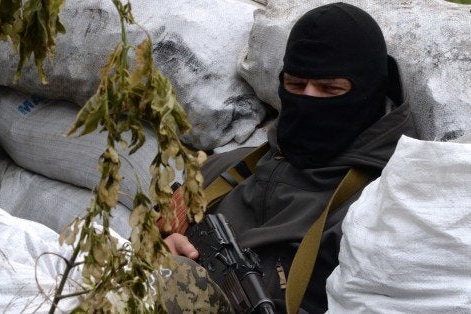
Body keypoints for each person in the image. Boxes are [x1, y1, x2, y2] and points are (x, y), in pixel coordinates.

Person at [163, 3, 416, 313]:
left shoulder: (379, 210)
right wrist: (161, 259)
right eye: (296, 85)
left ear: (371, 92)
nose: (308, 99)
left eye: (329, 89)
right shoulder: (224, 170)